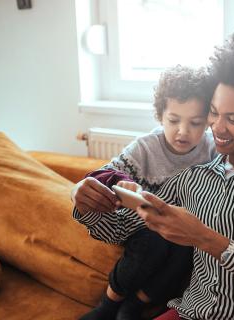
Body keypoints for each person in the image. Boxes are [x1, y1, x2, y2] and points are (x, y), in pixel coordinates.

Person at [74, 33, 234, 320]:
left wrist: (206, 239)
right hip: (187, 312)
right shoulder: (192, 178)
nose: (218, 127)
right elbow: (119, 230)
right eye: (214, 114)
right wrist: (87, 204)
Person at [71, 65, 217, 320]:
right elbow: (104, 175)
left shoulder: (212, 151)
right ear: (160, 116)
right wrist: (118, 183)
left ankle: (136, 305)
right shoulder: (145, 147)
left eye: (195, 123)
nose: (183, 131)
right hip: (143, 229)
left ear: (207, 121)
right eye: (174, 121)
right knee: (154, 242)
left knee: (188, 250)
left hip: (185, 232)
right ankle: (109, 303)